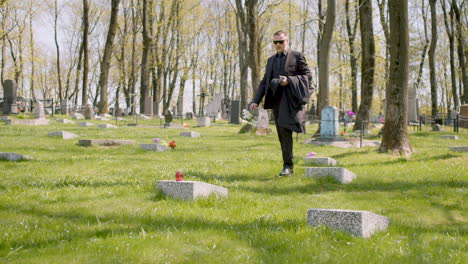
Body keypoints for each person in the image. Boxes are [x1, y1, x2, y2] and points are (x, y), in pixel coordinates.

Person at [250, 30, 313, 176]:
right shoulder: (271, 60)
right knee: (282, 135)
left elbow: (307, 76)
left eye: (281, 41)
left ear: (287, 41)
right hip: (277, 102)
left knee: (286, 133)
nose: (278, 45)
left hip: (291, 101)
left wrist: (289, 81)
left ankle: (288, 167)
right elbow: (265, 82)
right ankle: (288, 166)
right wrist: (255, 100)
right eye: (275, 42)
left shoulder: (297, 56)